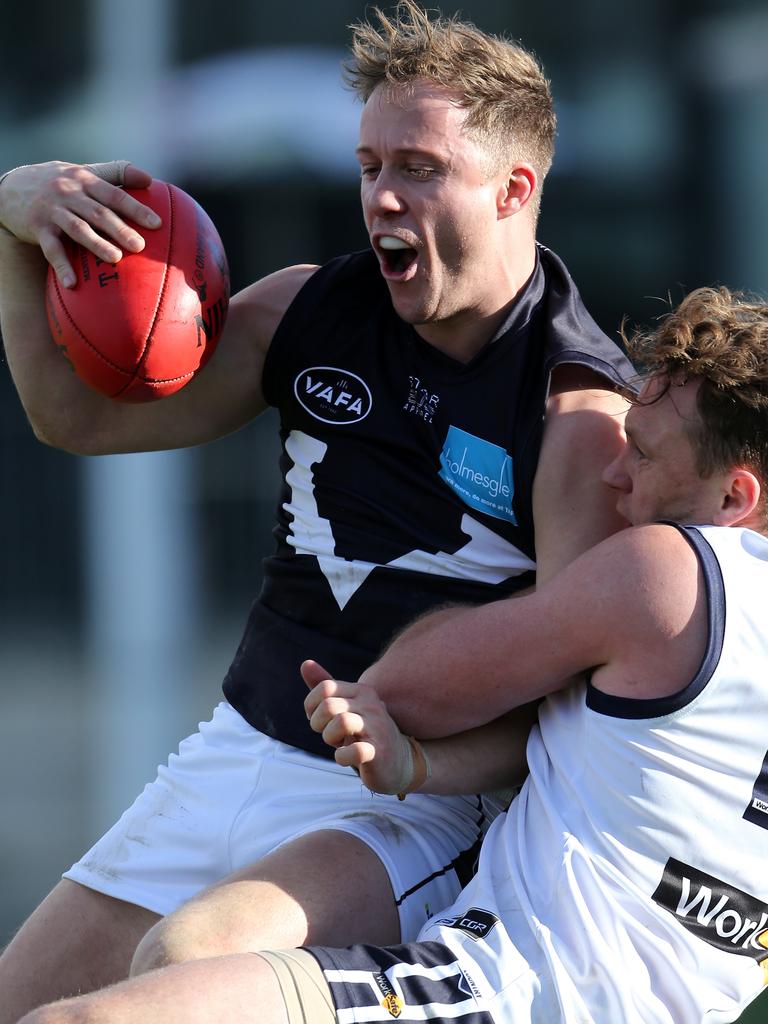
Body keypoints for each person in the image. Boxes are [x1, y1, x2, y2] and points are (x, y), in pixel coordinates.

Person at [0, 2, 633, 1018]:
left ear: (516, 189)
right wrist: (14, 224)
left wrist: (422, 759)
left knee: (186, 959)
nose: (383, 196)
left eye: (419, 167)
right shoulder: (311, 307)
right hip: (236, 745)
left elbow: (582, 716)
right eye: (371, 165)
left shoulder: (579, 417)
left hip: (406, 806)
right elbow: (76, 418)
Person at [20, 284, 768, 1024]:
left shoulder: (664, 572)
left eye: (639, 452)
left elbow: (402, 687)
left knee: (108, 1009)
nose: (613, 472)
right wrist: (423, 764)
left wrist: (527, 610)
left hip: (496, 989)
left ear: (734, 500)